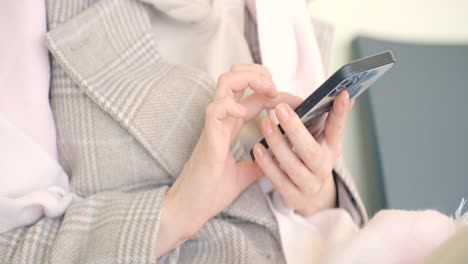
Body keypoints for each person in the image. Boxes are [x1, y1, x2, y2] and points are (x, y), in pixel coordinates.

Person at [0, 0, 366, 263]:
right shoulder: (27, 14)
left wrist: (316, 193)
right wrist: (173, 213)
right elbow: (10, 247)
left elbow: (323, 217)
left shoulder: (281, 12)